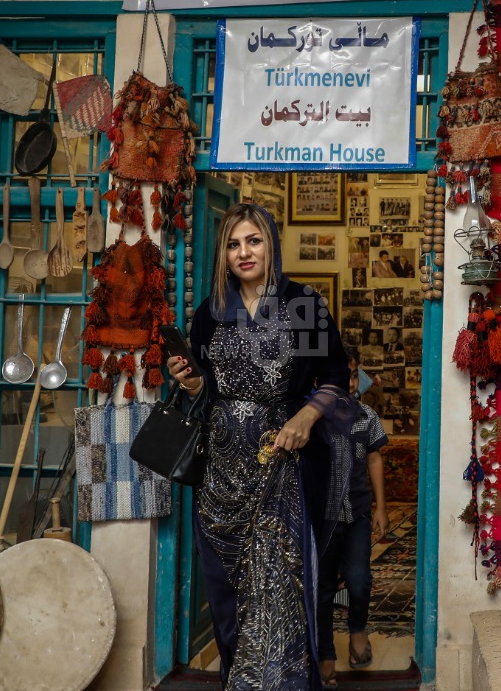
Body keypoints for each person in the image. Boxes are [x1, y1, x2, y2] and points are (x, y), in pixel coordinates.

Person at [168, 203, 357, 689]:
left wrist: (307, 415)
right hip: (220, 478)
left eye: (253, 240)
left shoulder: (303, 304)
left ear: (271, 244)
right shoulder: (208, 315)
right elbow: (207, 391)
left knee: (280, 591)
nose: (243, 252)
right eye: (233, 244)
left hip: (283, 468)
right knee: (229, 598)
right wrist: (191, 385)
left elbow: (336, 376)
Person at [318, 348, 389, 688]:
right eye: (340, 375)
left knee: (359, 579)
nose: (347, 382)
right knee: (322, 586)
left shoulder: (367, 416)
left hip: (358, 513)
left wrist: (381, 507)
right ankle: (325, 650)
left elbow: (375, 459)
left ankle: (358, 631)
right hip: (322, 520)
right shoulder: (312, 418)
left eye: (351, 375)